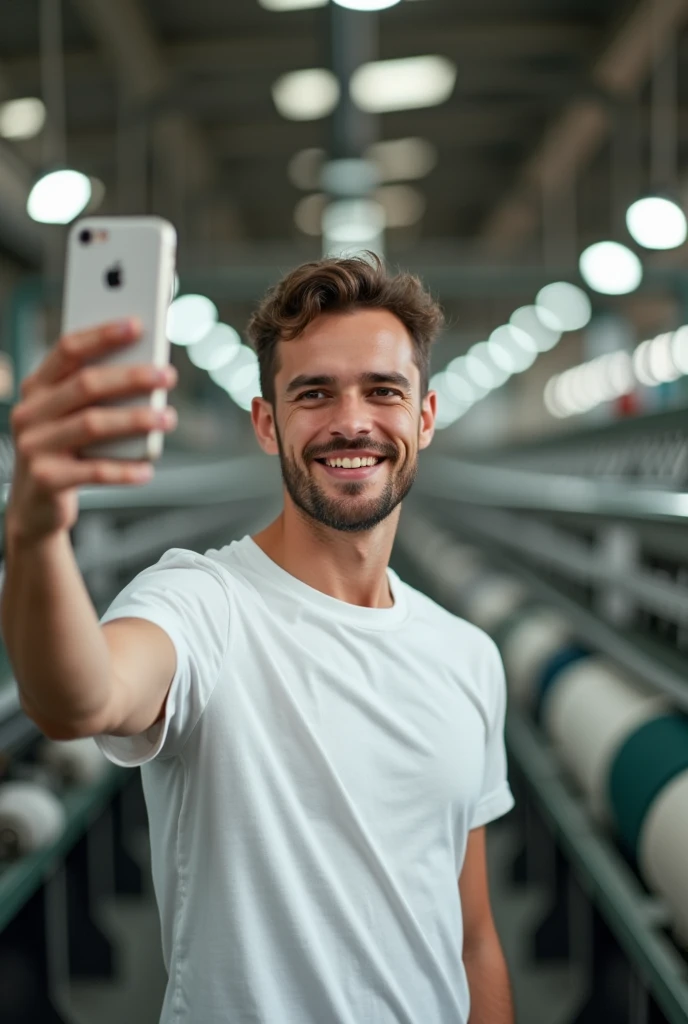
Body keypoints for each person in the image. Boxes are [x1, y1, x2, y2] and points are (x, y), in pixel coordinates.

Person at [2, 255, 515, 1024]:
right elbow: (79, 699)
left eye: (383, 391)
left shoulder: (468, 655)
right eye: (314, 393)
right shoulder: (202, 603)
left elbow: (473, 938)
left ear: (425, 416)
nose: (352, 421)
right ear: (267, 422)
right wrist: (36, 532)